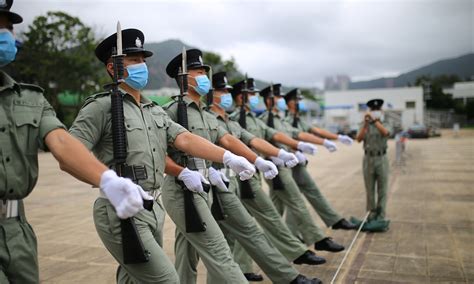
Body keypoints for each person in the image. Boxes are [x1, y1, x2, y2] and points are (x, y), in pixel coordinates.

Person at [70, 32, 255, 283]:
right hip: (121, 208)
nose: (141, 66)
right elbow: (71, 151)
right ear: (113, 67)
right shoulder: (101, 107)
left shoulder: (153, 110)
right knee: (167, 279)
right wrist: (107, 181)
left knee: (134, 277)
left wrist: (228, 157)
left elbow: (185, 139)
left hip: (153, 206)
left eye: (142, 59)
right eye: (134, 60)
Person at [0, 5, 149, 283]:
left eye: (6, 26)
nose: (5, 34)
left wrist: (107, 179)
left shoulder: (30, 98)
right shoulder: (99, 106)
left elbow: (62, 142)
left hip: (16, 229)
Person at [206, 71, 322, 284]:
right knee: (216, 242)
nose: (226, 94)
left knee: (245, 229)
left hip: (237, 178)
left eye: (227, 91)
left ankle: (277, 267)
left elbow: (254, 139)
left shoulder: (231, 120)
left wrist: (280, 153)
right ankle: (287, 262)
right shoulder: (207, 118)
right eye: (222, 90)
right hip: (214, 182)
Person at [257, 85, 346, 253]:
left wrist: (306, 146)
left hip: (285, 166)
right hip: (275, 168)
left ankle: (269, 245)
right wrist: (272, 155)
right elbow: (257, 140)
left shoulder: (280, 120)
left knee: (275, 211)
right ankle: (316, 238)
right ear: (270, 100)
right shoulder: (264, 119)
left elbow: (297, 134)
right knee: (296, 202)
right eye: (278, 98)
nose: (281, 101)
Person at [281, 87, 357, 231]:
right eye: (297, 100)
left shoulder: (298, 119)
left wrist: (337, 137)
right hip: (288, 163)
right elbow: (291, 137)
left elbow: (316, 130)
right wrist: (296, 151)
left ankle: (332, 220)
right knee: (293, 199)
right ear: (289, 103)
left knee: (301, 195)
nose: (299, 103)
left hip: (298, 163)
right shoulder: (285, 120)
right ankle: (293, 233)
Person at [353, 98, 391, 232]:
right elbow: (358, 139)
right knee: (369, 189)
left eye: (377, 110)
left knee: (382, 189)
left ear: (380, 110)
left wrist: (375, 121)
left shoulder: (385, 122)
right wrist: (366, 124)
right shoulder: (365, 123)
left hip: (382, 158)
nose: (375, 112)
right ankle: (371, 215)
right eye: (372, 110)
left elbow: (386, 133)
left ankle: (380, 216)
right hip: (368, 158)